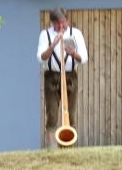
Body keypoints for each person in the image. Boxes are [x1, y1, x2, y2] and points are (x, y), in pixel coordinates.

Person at [37, 8, 88, 149]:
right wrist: (52, 45)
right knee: (52, 114)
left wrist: (73, 53)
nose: (61, 26)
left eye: (63, 22)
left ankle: (68, 147)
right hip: (52, 76)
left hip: (70, 75)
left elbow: (83, 59)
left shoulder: (75, 33)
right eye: (58, 23)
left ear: (67, 20)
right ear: (52, 22)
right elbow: (41, 58)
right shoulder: (45, 35)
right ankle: (52, 148)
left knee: (71, 114)